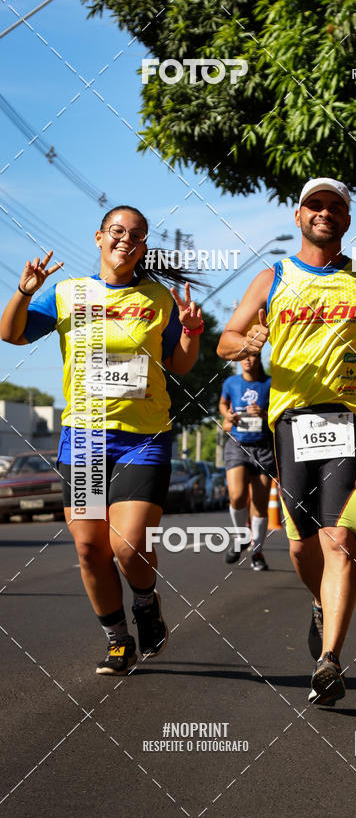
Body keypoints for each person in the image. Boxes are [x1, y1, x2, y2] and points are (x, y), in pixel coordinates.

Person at [216, 177, 356, 706]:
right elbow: (225, 340)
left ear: (347, 220)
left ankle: (330, 662)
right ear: (298, 216)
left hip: (354, 421)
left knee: (339, 543)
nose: (324, 213)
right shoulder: (273, 277)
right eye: (314, 205)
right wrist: (247, 340)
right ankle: (321, 603)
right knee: (302, 545)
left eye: (334, 207)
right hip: (292, 422)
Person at [0, 205, 204, 675]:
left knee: (128, 547)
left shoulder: (158, 299)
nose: (125, 241)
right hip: (85, 437)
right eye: (117, 231)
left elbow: (180, 363)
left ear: (144, 246)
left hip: (143, 438)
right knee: (91, 548)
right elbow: (10, 334)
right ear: (98, 237)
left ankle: (147, 603)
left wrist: (191, 332)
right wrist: (23, 292)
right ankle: (117, 639)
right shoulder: (68, 293)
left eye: (136, 235)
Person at [219, 353, 274, 571]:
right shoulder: (231, 382)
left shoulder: (269, 383)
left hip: (264, 446)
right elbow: (223, 404)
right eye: (243, 356)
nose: (247, 360)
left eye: (252, 356)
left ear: (259, 358)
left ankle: (257, 552)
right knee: (237, 495)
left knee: (260, 505)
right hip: (238, 445)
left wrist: (264, 414)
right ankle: (240, 537)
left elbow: (280, 413)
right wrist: (227, 415)